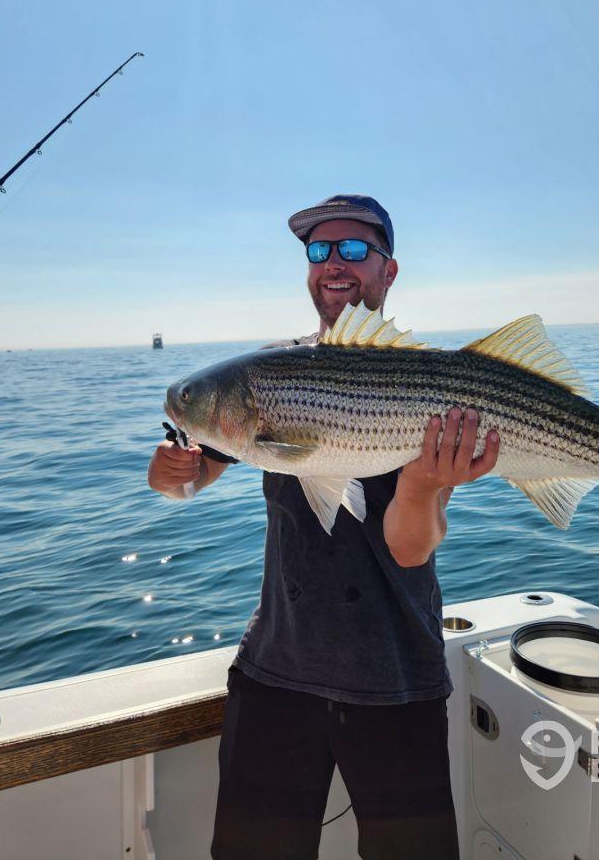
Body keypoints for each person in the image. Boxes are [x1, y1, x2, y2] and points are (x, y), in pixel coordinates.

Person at [148, 194, 500, 860]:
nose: (334, 263)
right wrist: (171, 474)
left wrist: (424, 482)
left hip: (397, 676)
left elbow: (409, 547)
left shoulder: (427, 381)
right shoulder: (265, 379)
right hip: (277, 673)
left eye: (354, 249)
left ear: (388, 271)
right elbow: (194, 472)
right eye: (319, 251)